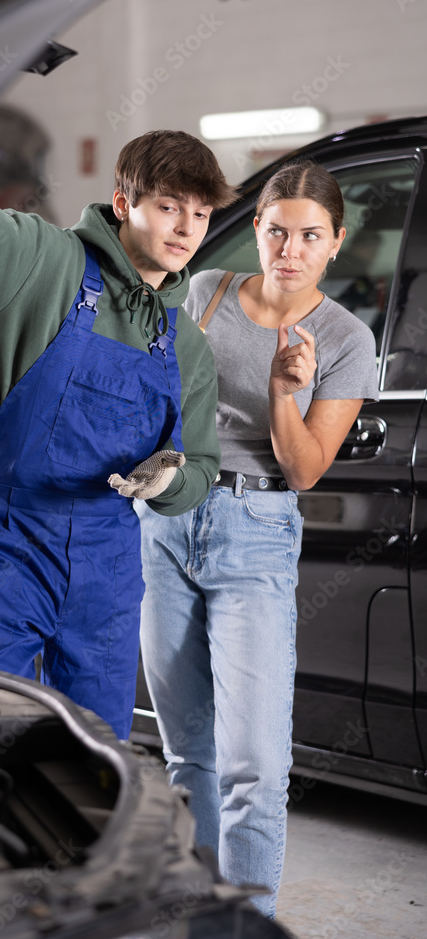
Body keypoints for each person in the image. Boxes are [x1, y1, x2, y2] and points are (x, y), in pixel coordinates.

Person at [0, 130, 238, 739]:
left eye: (200, 214)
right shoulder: (45, 264)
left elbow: (200, 468)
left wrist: (169, 476)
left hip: (107, 567)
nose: (186, 228)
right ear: (122, 202)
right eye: (169, 206)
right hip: (4, 548)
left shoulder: (186, 346)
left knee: (95, 760)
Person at [137, 160, 379, 917]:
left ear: (335, 242)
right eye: (277, 232)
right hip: (167, 523)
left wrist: (282, 392)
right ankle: (198, 920)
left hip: (256, 533)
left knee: (254, 765)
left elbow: (304, 470)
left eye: (309, 236)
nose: (290, 249)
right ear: (257, 232)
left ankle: (248, 927)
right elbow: (153, 394)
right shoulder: (205, 296)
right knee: (188, 757)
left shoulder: (343, 338)